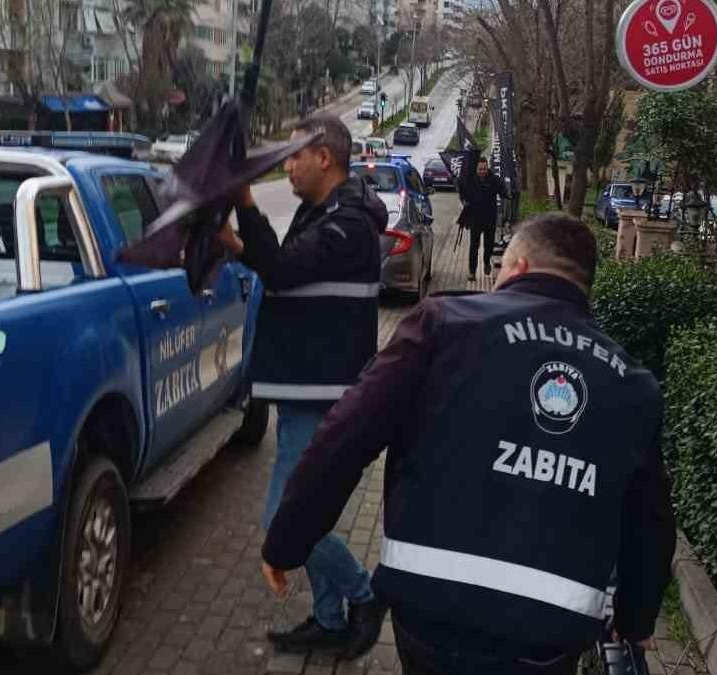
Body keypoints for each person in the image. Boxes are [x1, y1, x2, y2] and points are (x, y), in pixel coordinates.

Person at [257, 213, 677, 675]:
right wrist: (636, 620)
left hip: (433, 615)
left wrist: (288, 540)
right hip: (548, 639)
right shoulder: (633, 385)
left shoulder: (443, 323)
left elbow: (346, 435)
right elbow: (650, 520)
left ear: (517, 267)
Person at [217, 114, 390, 659]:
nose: (287, 166)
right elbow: (286, 270)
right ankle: (330, 619)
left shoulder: (348, 223)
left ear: (324, 157)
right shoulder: (324, 213)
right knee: (304, 514)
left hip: (321, 393)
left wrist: (245, 201)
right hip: (305, 388)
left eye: (293, 156)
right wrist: (237, 244)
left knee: (283, 520)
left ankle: (364, 595)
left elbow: (283, 270)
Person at [459, 157, 505, 281]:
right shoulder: (471, 180)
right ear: (476, 169)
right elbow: (462, 191)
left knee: (489, 245)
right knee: (474, 246)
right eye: (480, 169)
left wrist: (507, 193)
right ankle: (472, 271)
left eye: (484, 169)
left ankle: (486, 262)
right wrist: (463, 199)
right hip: (475, 218)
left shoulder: (494, 179)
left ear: (487, 167)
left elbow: (502, 190)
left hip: (490, 218)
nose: (482, 171)